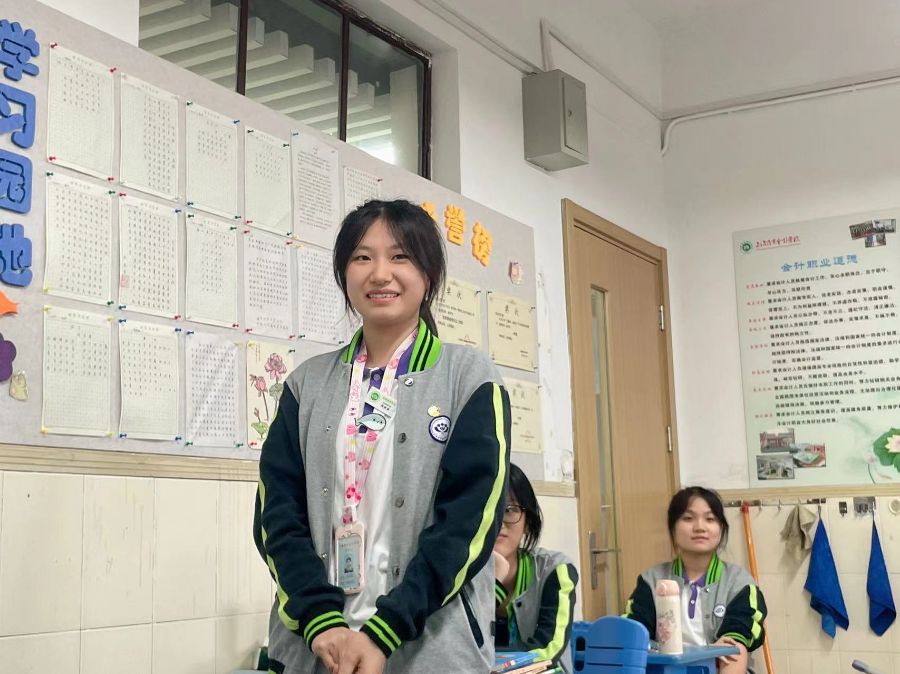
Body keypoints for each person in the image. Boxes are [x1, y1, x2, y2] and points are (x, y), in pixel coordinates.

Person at [253, 199, 512, 674]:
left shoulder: (468, 378)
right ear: (344, 272)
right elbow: (277, 517)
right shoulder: (306, 385)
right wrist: (321, 620)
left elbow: (468, 523)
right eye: (362, 257)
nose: (379, 273)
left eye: (400, 256)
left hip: (430, 649)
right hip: (317, 648)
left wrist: (385, 631)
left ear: (428, 274)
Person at [624, 486, 767, 674]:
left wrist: (719, 650)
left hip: (717, 668)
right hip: (666, 669)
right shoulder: (651, 580)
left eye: (710, 519)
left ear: (721, 528)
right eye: (688, 518)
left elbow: (741, 633)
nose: (700, 527)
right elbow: (634, 631)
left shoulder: (739, 583)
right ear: (673, 528)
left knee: (734, 649)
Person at [494, 464, 579, 672]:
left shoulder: (555, 570)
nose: (498, 523)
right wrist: (493, 581)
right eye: (489, 510)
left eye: (510, 510)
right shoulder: (458, 577)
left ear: (528, 521)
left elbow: (548, 649)